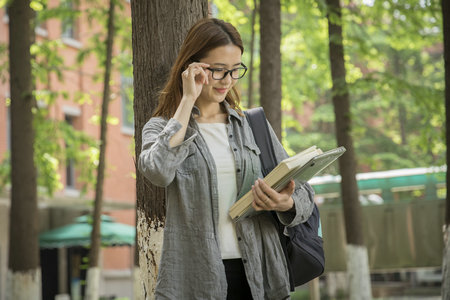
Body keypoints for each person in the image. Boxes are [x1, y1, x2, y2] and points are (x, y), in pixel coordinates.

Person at [138, 18, 315, 300]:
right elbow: (158, 171)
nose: (228, 81)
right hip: (195, 280)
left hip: (261, 276)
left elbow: (305, 192)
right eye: (218, 70)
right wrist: (186, 101)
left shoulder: (250, 125)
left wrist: (286, 202)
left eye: (235, 71)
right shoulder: (162, 128)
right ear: (192, 67)